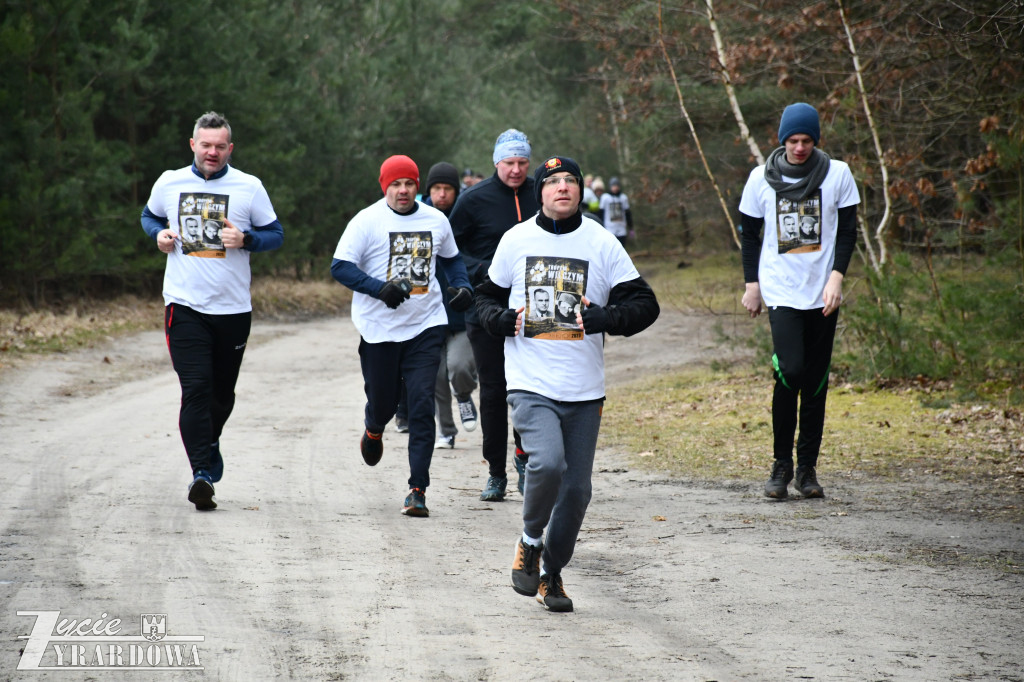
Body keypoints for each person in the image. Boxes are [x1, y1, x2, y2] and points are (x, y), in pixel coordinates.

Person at [475, 155, 659, 612]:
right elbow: (485, 297)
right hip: (530, 380)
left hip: (584, 387)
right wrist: (499, 320)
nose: (562, 188)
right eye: (552, 181)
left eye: (570, 181)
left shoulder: (601, 241)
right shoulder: (516, 240)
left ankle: (551, 573)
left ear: (580, 190)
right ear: (539, 192)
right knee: (549, 465)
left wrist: (606, 318)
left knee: (577, 492)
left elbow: (645, 304)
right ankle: (529, 539)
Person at [140, 111, 284, 511]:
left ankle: (211, 438)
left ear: (230, 148)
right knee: (197, 389)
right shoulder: (169, 182)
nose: (212, 152)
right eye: (206, 145)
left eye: (220, 146)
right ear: (193, 145)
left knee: (221, 395)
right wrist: (160, 235)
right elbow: (149, 216)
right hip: (184, 305)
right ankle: (201, 473)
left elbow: (276, 235)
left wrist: (247, 238)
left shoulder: (249, 187)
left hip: (233, 309)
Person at [331, 154, 473, 517]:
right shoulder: (367, 221)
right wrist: (379, 289)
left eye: (409, 183)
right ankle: (374, 428)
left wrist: (461, 284)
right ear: (385, 187)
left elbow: (453, 259)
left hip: (426, 325)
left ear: (417, 186)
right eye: (395, 184)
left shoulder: (436, 220)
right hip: (379, 329)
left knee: (423, 401)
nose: (403, 190)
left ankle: (417, 488)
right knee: (384, 401)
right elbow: (341, 267)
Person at [739, 102, 860, 500]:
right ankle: (780, 465)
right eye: (793, 140)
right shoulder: (760, 179)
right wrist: (752, 284)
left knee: (816, 380)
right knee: (789, 370)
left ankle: (806, 469)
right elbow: (749, 236)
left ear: (816, 140)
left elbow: (847, 233)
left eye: (807, 140)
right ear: (782, 140)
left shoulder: (838, 175)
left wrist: (837, 278)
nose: (800, 147)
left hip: (823, 290)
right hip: (781, 290)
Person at [449, 128, 540, 501]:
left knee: (528, 389)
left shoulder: (541, 192)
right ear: (496, 163)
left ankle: (524, 458)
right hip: (485, 308)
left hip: (532, 309)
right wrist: (485, 270)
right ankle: (496, 472)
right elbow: (450, 249)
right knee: (494, 390)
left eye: (522, 163)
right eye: (509, 163)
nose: (516, 170)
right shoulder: (473, 199)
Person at [420, 161, 480, 449]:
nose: (442, 194)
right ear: (428, 190)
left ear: (457, 192)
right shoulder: (416, 221)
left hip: (460, 314)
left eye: (448, 189)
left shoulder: (465, 221)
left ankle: (465, 396)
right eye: (437, 188)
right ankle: (446, 431)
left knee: (457, 368)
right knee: (436, 376)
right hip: (427, 314)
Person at [598, 176, 632, 246]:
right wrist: (600, 227)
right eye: (613, 186)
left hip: (621, 228)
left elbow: (627, 213)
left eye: (617, 186)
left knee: (621, 248)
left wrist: (631, 227)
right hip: (609, 228)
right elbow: (601, 213)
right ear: (610, 186)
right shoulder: (605, 197)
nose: (615, 188)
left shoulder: (623, 198)